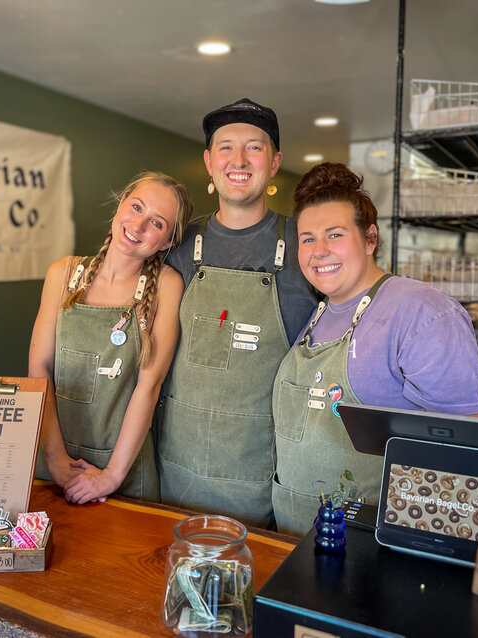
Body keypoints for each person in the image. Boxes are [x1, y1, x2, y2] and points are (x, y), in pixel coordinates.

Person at [272, 162, 478, 536]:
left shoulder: (422, 312)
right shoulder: (319, 310)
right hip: (293, 537)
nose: (318, 251)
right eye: (307, 239)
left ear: (370, 239)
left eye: (334, 235)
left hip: (368, 546)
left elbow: (465, 453)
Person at [157, 98, 319, 528]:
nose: (239, 160)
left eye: (255, 147)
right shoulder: (178, 244)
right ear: (209, 163)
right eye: (226, 148)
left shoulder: (304, 242)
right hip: (176, 471)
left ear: (275, 162)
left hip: (264, 474)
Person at [29, 171, 192, 504]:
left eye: (157, 223)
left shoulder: (166, 285)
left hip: (126, 476)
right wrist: (57, 461)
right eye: (136, 207)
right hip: (52, 466)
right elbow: (39, 371)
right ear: (120, 206)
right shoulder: (62, 273)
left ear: (168, 242)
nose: (139, 225)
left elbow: (149, 386)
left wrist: (111, 477)